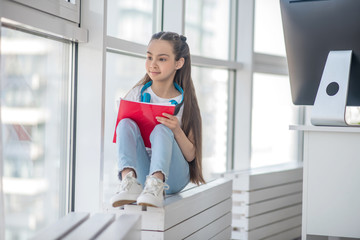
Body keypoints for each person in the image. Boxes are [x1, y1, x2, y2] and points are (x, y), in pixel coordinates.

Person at [110, 31, 205, 208]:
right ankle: (128, 182)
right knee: (124, 123)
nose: (153, 64)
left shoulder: (186, 103)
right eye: (149, 57)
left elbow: (191, 154)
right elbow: (125, 136)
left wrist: (176, 129)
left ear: (179, 63)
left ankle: (157, 184)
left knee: (163, 129)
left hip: (174, 177)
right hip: (143, 174)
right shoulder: (137, 93)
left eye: (162, 59)